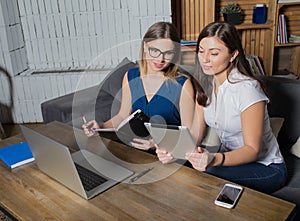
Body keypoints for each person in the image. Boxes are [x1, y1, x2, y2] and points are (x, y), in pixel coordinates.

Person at [156, 21, 287, 194]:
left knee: (208, 171)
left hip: (267, 167)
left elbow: (253, 150)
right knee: (182, 165)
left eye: (214, 53)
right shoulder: (204, 85)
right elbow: (195, 135)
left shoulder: (247, 89)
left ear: (233, 55)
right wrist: (173, 151)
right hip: (231, 161)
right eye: (201, 51)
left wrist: (215, 159)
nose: (205, 59)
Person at [83, 21, 195, 151]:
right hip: (133, 149)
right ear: (145, 47)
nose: (160, 59)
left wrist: (157, 143)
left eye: (168, 53)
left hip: (165, 154)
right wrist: (100, 127)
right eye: (154, 51)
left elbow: (189, 134)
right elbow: (122, 116)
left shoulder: (183, 84)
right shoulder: (130, 76)